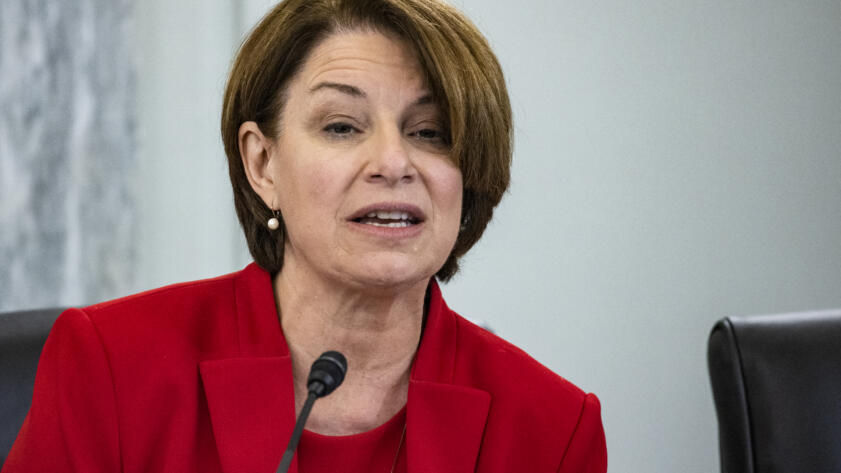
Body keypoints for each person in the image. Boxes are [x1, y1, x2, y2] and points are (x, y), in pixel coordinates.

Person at [3, 0, 607, 472]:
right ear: (262, 164)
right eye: (343, 126)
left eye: (430, 132)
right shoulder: (111, 367)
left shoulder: (551, 427)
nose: (393, 162)